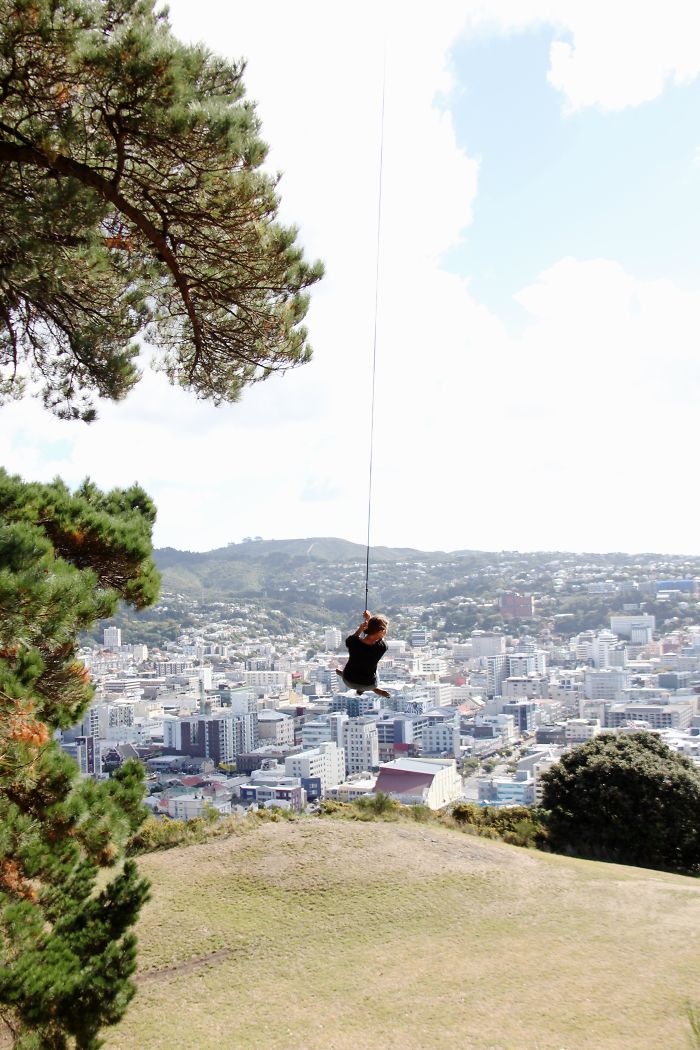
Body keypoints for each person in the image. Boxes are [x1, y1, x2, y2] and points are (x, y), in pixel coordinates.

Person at [335, 610, 390, 698]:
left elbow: (355, 637)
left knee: (355, 665)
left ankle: (358, 685)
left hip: (348, 680)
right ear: (381, 632)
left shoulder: (352, 642)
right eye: (385, 630)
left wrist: (361, 628)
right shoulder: (382, 647)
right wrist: (369, 619)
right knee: (375, 670)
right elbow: (380, 637)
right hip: (369, 684)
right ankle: (369, 689)